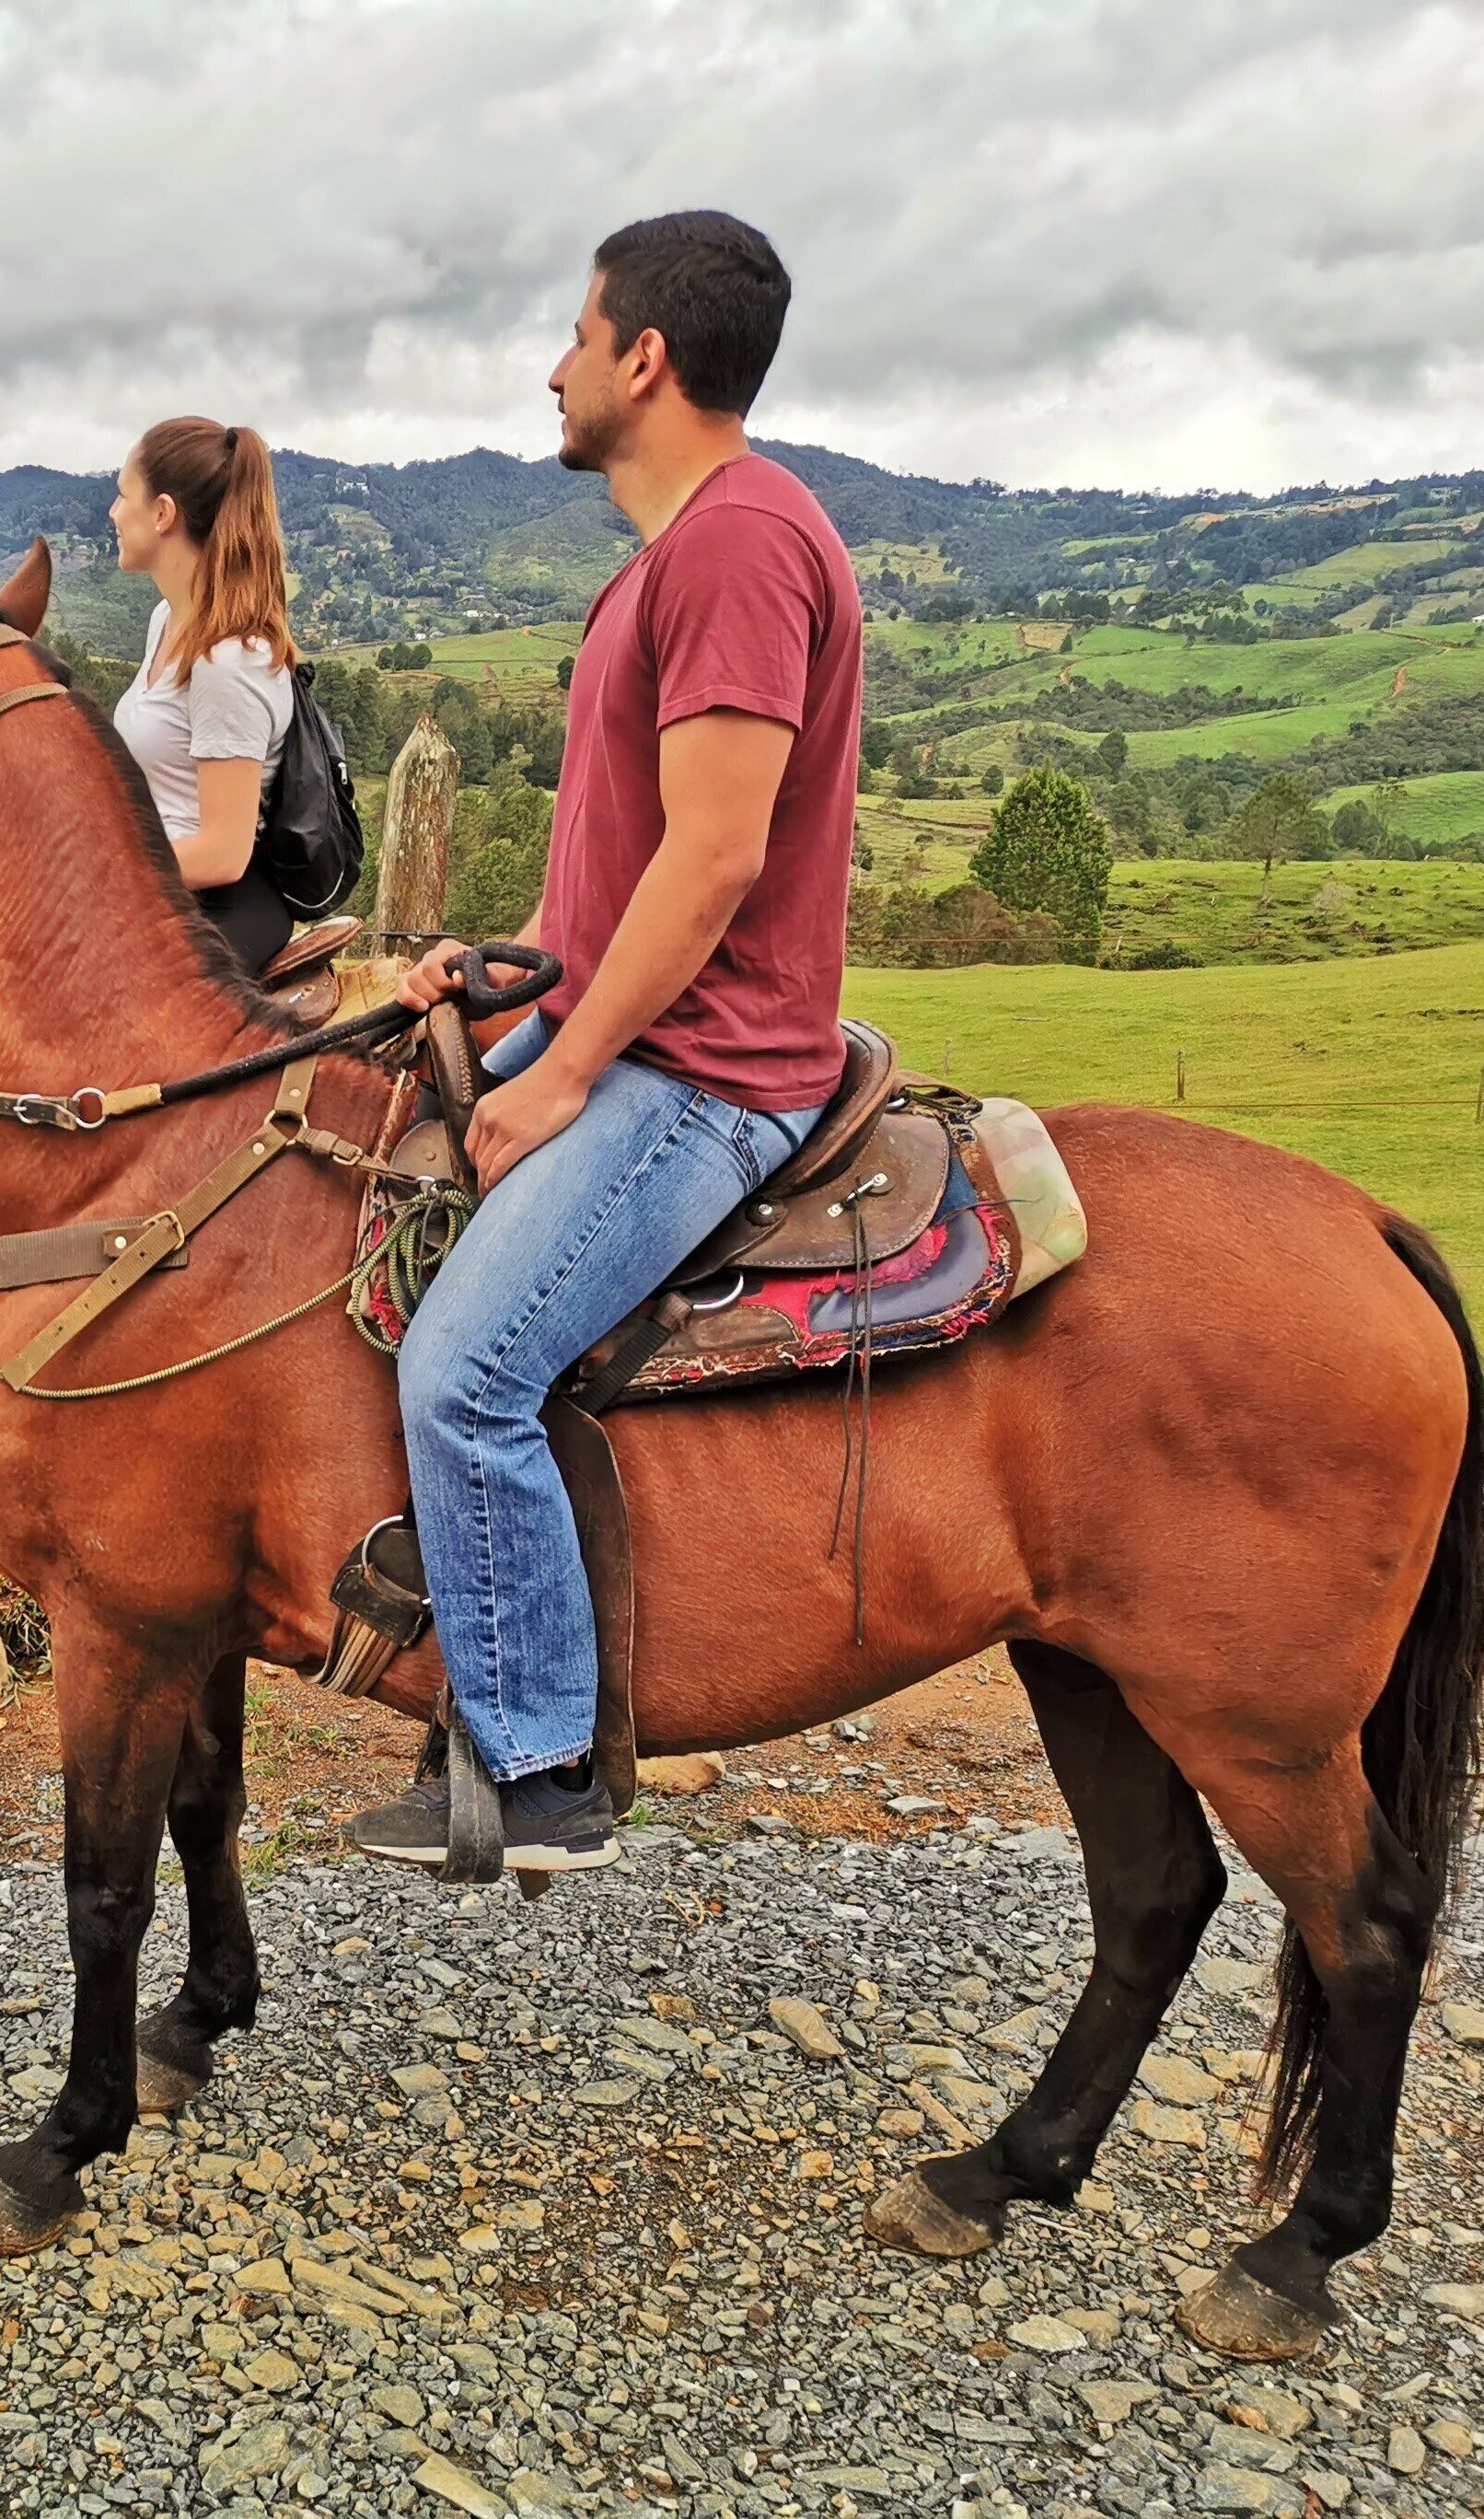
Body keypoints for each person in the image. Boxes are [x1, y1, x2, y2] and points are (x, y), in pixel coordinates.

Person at [345, 210, 862, 1875]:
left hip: (696, 1077)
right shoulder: (674, 553)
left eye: (575, 333)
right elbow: (634, 862)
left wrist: (565, 1069)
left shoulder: (730, 548)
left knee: (466, 1367)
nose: (552, 364)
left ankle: (543, 1758)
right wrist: (502, 986)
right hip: (611, 1024)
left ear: (643, 359)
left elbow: (714, 858)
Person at [107, 418, 299, 974]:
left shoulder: (226, 662)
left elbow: (223, 852)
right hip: (154, 893)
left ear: (162, 513)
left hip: (204, 911)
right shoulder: (168, 620)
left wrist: (101, 862)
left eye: (123, 496)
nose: (114, 513)